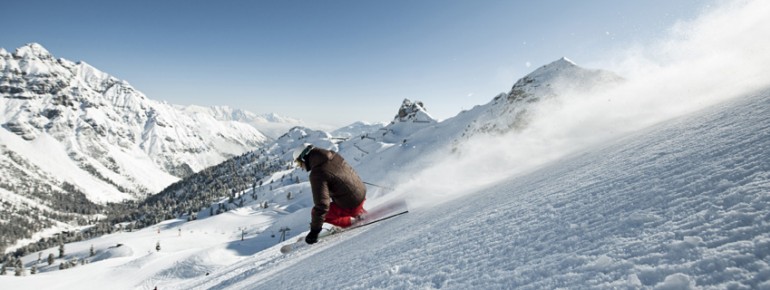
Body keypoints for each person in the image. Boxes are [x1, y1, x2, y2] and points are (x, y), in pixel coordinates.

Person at [292, 144, 367, 244]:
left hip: (351, 203)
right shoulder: (332, 155)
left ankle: (350, 223)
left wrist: (314, 231)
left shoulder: (317, 173)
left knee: (318, 212)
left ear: (304, 158)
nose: (300, 166)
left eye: (299, 163)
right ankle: (360, 214)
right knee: (343, 200)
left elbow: (322, 205)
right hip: (360, 192)